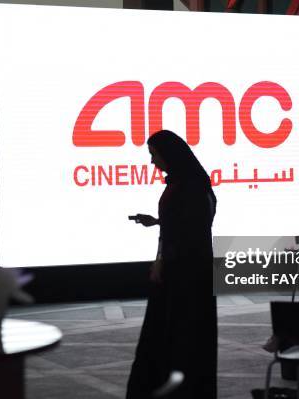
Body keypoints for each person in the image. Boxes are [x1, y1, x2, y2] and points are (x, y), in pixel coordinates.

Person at [126, 130, 217, 399]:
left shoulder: (188, 186)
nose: (153, 162)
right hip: (187, 273)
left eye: (155, 154)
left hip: (184, 278)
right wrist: (157, 221)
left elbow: (187, 232)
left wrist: (162, 262)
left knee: (178, 337)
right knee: (179, 336)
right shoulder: (191, 183)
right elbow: (184, 225)